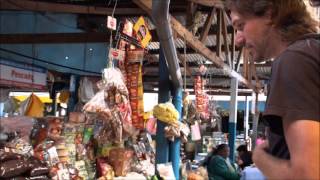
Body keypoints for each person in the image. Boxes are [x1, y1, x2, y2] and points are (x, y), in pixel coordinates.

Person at [226, 0, 320, 179]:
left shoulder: (295, 60)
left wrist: (259, 158)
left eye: (240, 25)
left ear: (270, 14)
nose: (238, 40)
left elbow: (307, 175)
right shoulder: (311, 52)